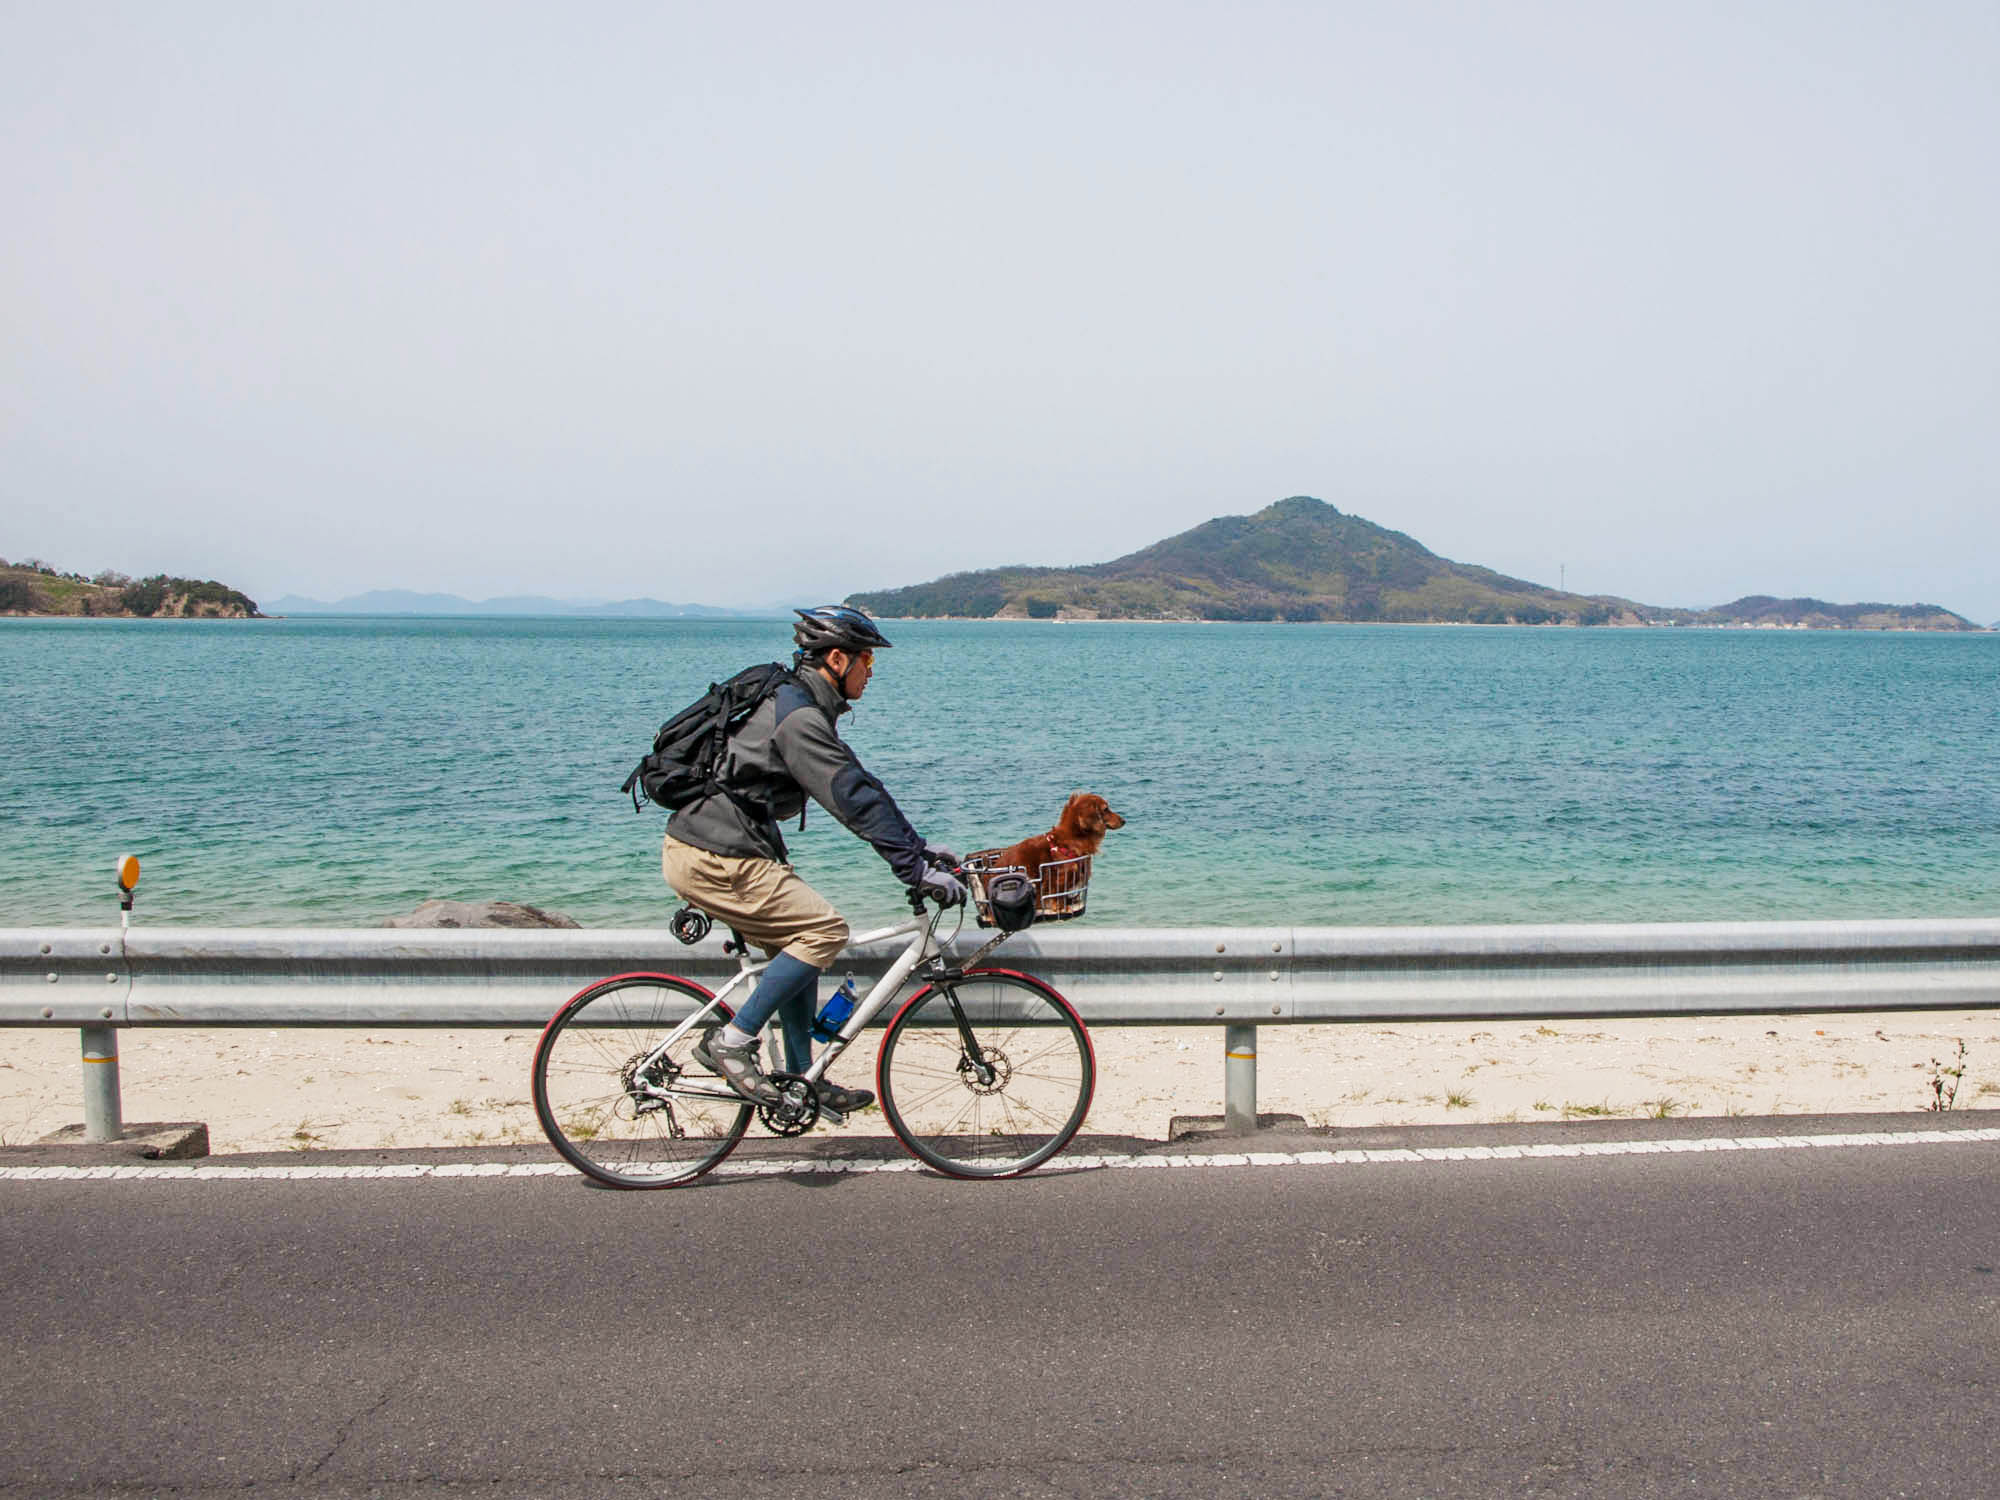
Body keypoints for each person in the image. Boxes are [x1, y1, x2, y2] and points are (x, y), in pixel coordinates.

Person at [662, 604, 968, 1117]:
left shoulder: (801, 704)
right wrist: (912, 870)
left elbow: (862, 783)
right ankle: (732, 1042)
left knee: (797, 945)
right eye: (866, 660)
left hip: (726, 849)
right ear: (836, 658)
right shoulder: (798, 716)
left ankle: (800, 1078)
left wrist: (919, 850)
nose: (872, 671)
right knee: (824, 931)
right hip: (715, 855)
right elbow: (848, 796)